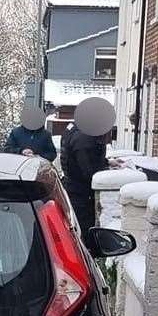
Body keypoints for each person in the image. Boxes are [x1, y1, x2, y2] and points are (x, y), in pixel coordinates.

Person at [60, 97, 115, 230]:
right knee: (84, 229)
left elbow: (82, 159)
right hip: (81, 194)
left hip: (73, 189)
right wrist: (106, 169)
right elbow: (89, 170)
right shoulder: (84, 138)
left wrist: (108, 162)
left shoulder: (75, 128)